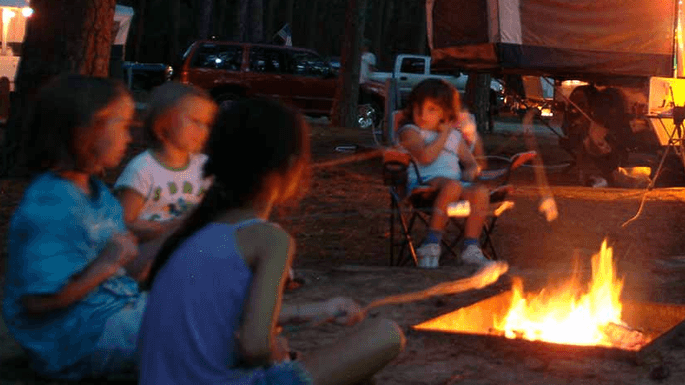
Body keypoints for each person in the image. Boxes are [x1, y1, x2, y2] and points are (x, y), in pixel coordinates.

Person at [138, 97, 404, 385]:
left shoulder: (193, 233)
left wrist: (317, 310)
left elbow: (223, 316)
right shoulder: (269, 240)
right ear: (291, 166)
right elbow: (254, 347)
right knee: (386, 334)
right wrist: (275, 353)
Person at [2, 74, 147, 380]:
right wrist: (107, 263)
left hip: (112, 316)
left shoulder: (99, 194)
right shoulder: (50, 204)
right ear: (86, 130)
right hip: (75, 338)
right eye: (122, 125)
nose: (129, 138)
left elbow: (121, 267)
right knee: (196, 331)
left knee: (202, 306)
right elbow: (38, 301)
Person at [114, 82, 216, 278]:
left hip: (191, 253)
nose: (202, 129)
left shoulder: (204, 166)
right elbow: (122, 223)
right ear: (163, 125)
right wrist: (167, 227)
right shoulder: (143, 169)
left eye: (206, 123)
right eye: (194, 121)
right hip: (149, 256)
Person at [397, 78, 494, 268]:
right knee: (453, 185)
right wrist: (443, 135)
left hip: (453, 186)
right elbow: (425, 157)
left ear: (446, 112)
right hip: (421, 185)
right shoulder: (410, 131)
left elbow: (471, 164)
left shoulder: (455, 137)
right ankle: (431, 243)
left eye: (432, 109)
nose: (422, 114)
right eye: (419, 107)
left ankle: (471, 248)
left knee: (480, 192)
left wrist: (471, 172)